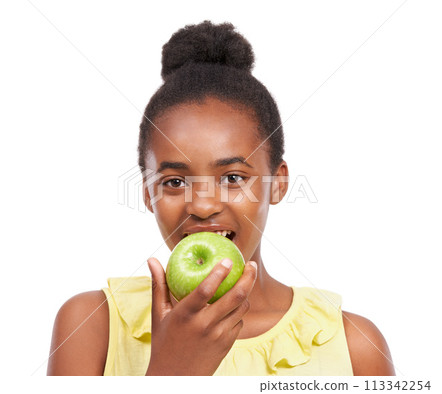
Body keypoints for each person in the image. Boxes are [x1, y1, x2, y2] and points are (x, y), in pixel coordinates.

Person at [47, 21, 395, 376]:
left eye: (232, 178)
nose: (201, 206)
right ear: (147, 193)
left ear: (277, 183)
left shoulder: (353, 347)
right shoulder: (91, 325)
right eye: (174, 181)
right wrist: (172, 372)